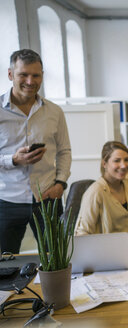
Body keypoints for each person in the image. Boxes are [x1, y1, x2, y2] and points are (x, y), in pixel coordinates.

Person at [0, 49, 71, 254]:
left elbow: (64, 150)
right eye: (23, 74)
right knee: (6, 265)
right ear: (10, 74)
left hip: (47, 197)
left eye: (36, 75)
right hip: (7, 199)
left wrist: (61, 183)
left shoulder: (54, 111)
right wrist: (12, 159)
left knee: (55, 260)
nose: (30, 81)